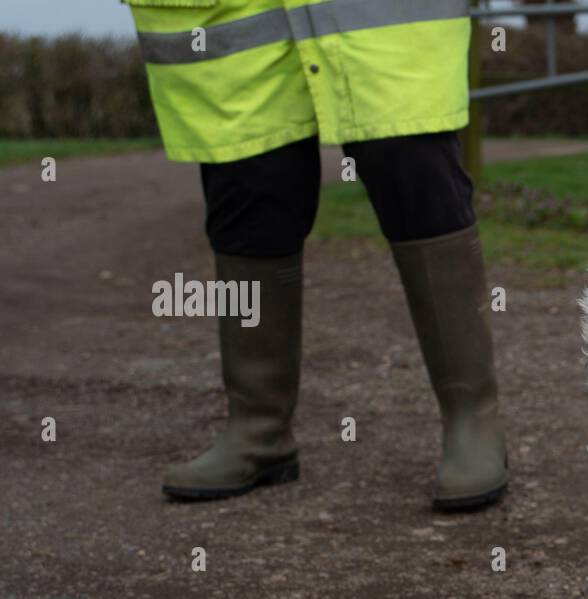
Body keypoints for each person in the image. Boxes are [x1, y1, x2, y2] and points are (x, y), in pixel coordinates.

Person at [124, 0, 507, 510]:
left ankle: (473, 421)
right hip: (222, 20)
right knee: (249, 188)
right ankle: (257, 430)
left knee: (414, 172)